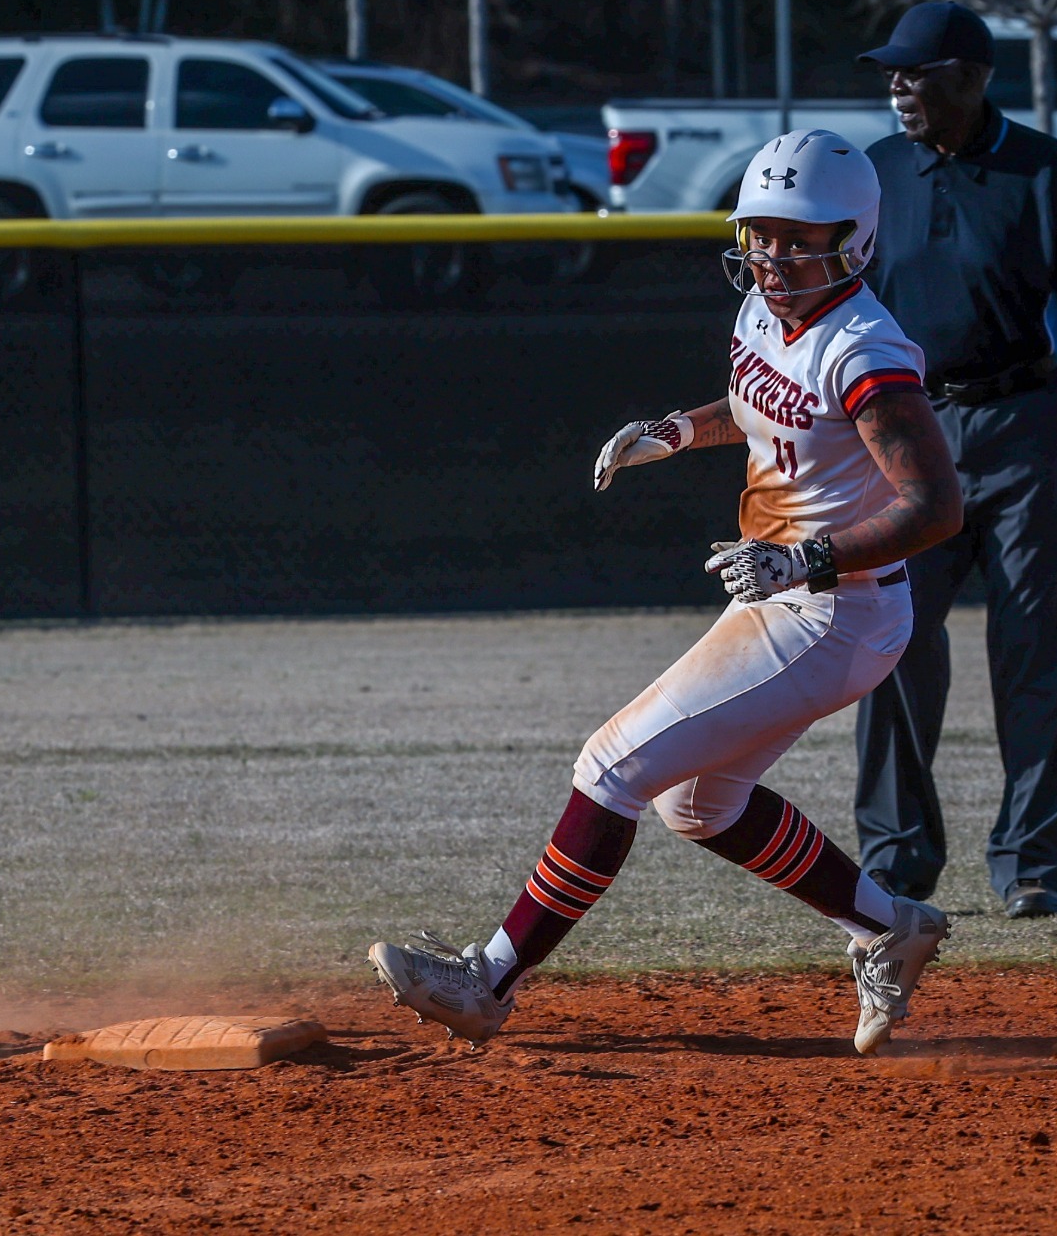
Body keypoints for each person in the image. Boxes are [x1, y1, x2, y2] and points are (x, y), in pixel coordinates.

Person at [369, 130, 964, 1053]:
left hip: (836, 608)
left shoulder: (865, 348)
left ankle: (486, 980)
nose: (773, 255)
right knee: (699, 806)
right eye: (761, 233)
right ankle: (889, 924)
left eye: (798, 237)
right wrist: (675, 432)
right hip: (793, 596)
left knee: (611, 766)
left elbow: (936, 506)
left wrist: (804, 559)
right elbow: (763, 407)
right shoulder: (770, 317)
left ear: (856, 239)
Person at [852, 2, 1057, 920]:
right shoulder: (877, 173)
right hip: (909, 437)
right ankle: (894, 860)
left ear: (970, 77)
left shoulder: (1042, 168)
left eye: (917, 71)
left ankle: (1033, 866)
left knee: (1041, 651)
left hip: (1029, 431)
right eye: (891, 70)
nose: (898, 85)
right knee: (885, 643)